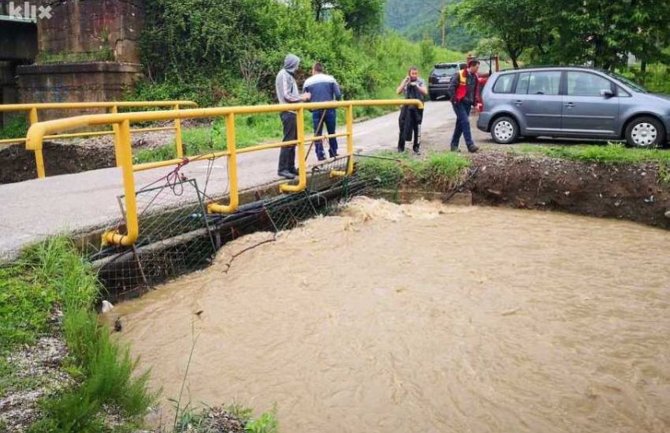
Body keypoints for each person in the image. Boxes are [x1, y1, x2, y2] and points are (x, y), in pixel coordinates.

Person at [275, 53, 311, 179]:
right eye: (296, 64)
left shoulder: (289, 76)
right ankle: (282, 168)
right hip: (288, 112)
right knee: (289, 140)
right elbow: (287, 96)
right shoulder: (283, 75)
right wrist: (302, 97)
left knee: (294, 140)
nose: (297, 67)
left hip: (293, 112)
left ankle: (290, 167)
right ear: (292, 64)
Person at [303, 62, 342, 161]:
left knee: (317, 134)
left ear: (313, 70)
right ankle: (333, 152)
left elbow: (305, 98)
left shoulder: (308, 82)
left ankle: (320, 155)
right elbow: (338, 95)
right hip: (329, 109)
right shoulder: (330, 79)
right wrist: (336, 103)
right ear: (322, 69)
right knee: (331, 132)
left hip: (316, 110)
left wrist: (310, 109)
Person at [447, 59, 480, 153]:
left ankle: (454, 146)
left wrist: (475, 103)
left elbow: (474, 92)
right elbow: (450, 88)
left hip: (468, 104)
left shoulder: (475, 77)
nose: (478, 69)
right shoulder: (459, 74)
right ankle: (470, 145)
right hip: (459, 103)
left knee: (460, 125)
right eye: (477, 67)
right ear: (472, 66)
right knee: (465, 122)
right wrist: (454, 100)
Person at [396, 66, 427, 154]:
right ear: (409, 74)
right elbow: (398, 91)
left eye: (416, 73)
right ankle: (400, 147)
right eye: (412, 73)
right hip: (406, 106)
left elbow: (425, 92)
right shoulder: (406, 81)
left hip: (418, 107)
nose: (414, 75)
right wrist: (405, 82)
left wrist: (417, 86)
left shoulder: (421, 81)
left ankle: (416, 147)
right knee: (402, 124)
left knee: (417, 127)